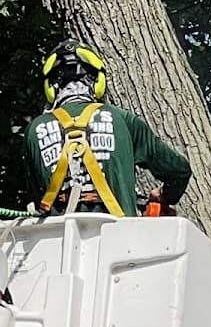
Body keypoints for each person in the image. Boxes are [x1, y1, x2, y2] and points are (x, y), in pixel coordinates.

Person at [23, 38, 191, 217]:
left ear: (50, 88)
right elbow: (179, 171)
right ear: (98, 83)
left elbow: (36, 197)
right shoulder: (123, 119)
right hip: (119, 238)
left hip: (58, 239)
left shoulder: (33, 131)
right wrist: (164, 197)